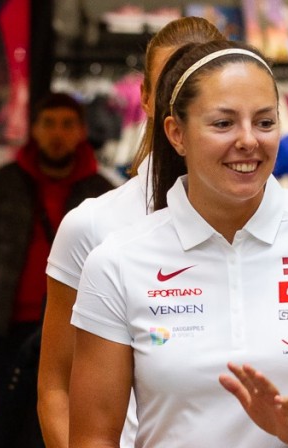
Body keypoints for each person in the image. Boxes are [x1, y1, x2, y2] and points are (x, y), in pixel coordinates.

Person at [68, 40, 288, 447]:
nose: (249, 141)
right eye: (223, 123)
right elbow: (92, 439)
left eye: (265, 123)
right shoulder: (116, 262)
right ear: (176, 133)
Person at [38, 17, 225, 448]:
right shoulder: (92, 225)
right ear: (144, 96)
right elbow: (56, 387)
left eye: (200, 83)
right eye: (170, 88)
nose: (185, 102)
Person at [0, 92, 113, 448]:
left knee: (64, 425)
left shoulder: (101, 191)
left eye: (67, 124)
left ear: (82, 131)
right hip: (13, 323)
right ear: (34, 130)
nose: (57, 133)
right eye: (48, 123)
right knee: (5, 427)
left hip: (76, 329)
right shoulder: (4, 181)